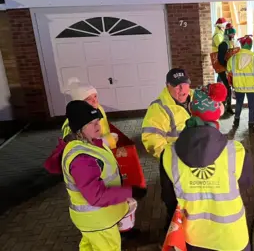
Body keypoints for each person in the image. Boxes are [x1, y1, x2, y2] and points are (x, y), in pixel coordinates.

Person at [160, 83, 254, 251]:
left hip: (194, 239)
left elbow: (169, 198)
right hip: (232, 238)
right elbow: (245, 183)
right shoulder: (236, 151)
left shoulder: (169, 154)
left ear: (190, 108)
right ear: (219, 110)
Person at [61, 100, 147, 251]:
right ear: (79, 128)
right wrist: (130, 191)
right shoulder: (82, 159)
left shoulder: (88, 144)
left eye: (98, 121)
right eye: (91, 123)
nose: (98, 126)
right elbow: (96, 196)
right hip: (98, 222)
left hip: (92, 221)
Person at [142, 68, 193, 159]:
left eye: (185, 84)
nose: (181, 89)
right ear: (167, 86)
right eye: (176, 86)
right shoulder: (158, 108)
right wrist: (171, 159)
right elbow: (152, 139)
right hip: (178, 160)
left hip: (200, 155)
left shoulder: (198, 97)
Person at [61, 78, 117, 149]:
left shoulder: (98, 109)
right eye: (88, 99)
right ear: (79, 103)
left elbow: (103, 127)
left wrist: (108, 138)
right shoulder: (73, 120)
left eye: (95, 96)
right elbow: (72, 144)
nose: (94, 101)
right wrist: (104, 142)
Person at [227, 35, 254, 132]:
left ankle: (236, 121)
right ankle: (251, 125)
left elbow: (228, 71)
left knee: (239, 104)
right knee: (252, 106)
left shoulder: (233, 58)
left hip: (238, 86)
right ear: (250, 45)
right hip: (252, 88)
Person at [217, 23, 237, 115]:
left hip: (227, 69)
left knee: (228, 88)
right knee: (226, 88)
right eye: (232, 34)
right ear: (228, 33)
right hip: (223, 70)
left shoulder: (229, 43)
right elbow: (221, 59)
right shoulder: (223, 44)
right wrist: (227, 68)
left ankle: (227, 107)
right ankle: (224, 107)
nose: (233, 36)